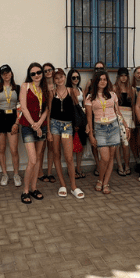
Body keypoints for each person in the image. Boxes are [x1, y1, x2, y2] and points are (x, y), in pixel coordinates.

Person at [86, 71, 129, 194]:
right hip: (100, 129)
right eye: (100, 79)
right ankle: (100, 179)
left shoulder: (112, 95)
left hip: (113, 127)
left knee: (110, 158)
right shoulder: (90, 97)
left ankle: (105, 183)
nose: (103, 81)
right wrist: (91, 134)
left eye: (105, 79)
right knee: (104, 158)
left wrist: (126, 127)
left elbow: (118, 112)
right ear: (96, 81)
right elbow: (89, 117)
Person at [47, 68, 84, 198]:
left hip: (67, 126)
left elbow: (77, 109)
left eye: (61, 77)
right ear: (54, 80)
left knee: (69, 157)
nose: (59, 80)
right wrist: (48, 131)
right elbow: (49, 112)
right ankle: (62, 184)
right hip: (54, 125)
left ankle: (73, 186)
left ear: (64, 77)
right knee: (56, 154)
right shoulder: (52, 93)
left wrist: (78, 125)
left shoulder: (71, 91)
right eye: (56, 78)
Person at [19, 62, 49, 203]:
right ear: (29, 75)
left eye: (38, 72)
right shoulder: (25, 86)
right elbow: (23, 108)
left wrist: (39, 124)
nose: (36, 75)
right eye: (33, 73)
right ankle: (25, 190)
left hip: (42, 126)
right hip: (28, 126)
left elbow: (47, 109)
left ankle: (34, 188)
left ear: (42, 73)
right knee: (32, 159)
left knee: (37, 160)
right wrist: (34, 125)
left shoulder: (45, 88)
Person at [0, 64, 22, 187]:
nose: (6, 75)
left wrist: (17, 123)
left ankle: (16, 174)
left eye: (8, 72)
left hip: (13, 118)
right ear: (1, 75)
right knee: (1, 149)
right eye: (3, 73)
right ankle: (4, 174)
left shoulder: (18, 88)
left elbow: (20, 107)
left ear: (11, 73)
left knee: (14, 149)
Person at [67, 69, 87, 179]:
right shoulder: (68, 90)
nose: (76, 79)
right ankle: (71, 169)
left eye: (77, 77)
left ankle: (78, 168)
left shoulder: (80, 89)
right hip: (72, 120)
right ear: (69, 78)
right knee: (70, 146)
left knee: (81, 145)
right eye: (73, 77)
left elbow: (83, 104)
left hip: (82, 119)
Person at [113, 67, 133, 176]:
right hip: (118, 115)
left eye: (125, 75)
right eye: (121, 75)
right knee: (117, 143)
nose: (124, 78)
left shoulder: (131, 89)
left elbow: (133, 105)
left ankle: (127, 165)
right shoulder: (114, 88)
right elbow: (113, 105)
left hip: (128, 115)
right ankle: (120, 166)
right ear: (118, 77)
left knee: (126, 143)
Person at [40, 62, 57, 183]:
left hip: (55, 119)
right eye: (45, 71)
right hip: (42, 119)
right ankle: (40, 172)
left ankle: (50, 172)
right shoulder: (41, 87)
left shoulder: (58, 84)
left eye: (50, 70)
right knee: (41, 148)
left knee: (51, 148)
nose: (48, 72)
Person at [129, 66, 140, 162]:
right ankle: (136, 158)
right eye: (138, 73)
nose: (139, 75)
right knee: (132, 137)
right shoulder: (129, 86)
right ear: (134, 74)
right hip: (131, 114)